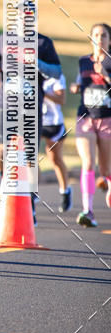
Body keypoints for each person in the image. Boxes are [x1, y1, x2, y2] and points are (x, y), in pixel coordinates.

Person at [0, 28, 61, 224]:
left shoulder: (43, 42)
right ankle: (9, 189)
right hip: (5, 106)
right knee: (1, 152)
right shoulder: (4, 38)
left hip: (30, 108)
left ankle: (30, 200)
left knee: (28, 158)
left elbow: (56, 71)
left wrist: (37, 63)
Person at [69, 22, 111, 228]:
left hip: (107, 119)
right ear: (91, 38)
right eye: (96, 34)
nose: (100, 38)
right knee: (88, 163)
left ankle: (108, 182)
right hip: (85, 118)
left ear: (109, 40)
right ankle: (88, 211)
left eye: (104, 35)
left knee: (105, 169)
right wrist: (76, 86)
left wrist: (105, 75)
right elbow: (81, 80)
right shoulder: (83, 61)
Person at [41, 72, 72, 213]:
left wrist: (42, 93)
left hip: (53, 123)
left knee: (55, 159)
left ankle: (65, 191)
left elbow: (62, 99)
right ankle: (31, 194)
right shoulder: (27, 73)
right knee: (28, 157)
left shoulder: (57, 75)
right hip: (33, 121)